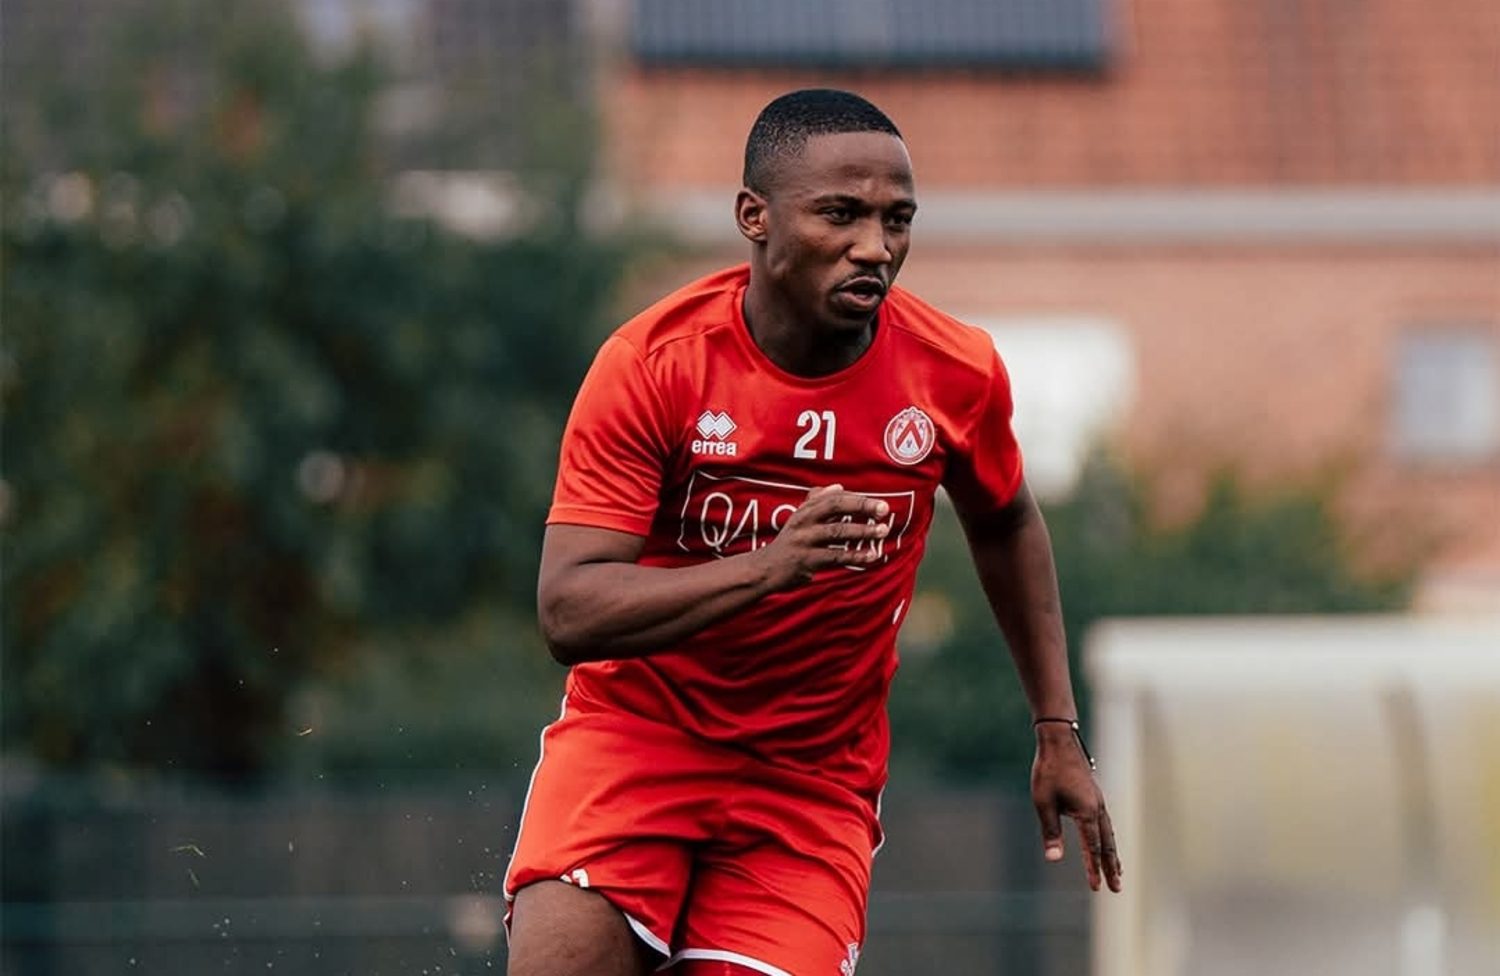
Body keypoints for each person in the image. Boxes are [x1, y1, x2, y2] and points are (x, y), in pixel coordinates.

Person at [504, 88, 1122, 976]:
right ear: (754, 217)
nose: (875, 246)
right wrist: (772, 565)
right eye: (841, 214)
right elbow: (568, 609)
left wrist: (1056, 728)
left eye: (896, 219)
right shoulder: (653, 366)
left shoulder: (955, 373)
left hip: (809, 783)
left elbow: (1008, 519)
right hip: (634, 741)